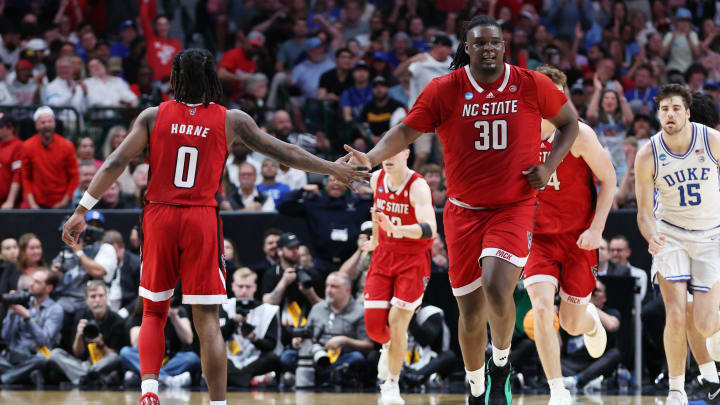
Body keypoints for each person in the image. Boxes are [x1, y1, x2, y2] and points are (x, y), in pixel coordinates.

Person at [61, 48, 367, 405]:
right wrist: (332, 168)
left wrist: (82, 209)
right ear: (212, 79)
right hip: (200, 218)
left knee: (153, 310)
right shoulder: (231, 119)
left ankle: (148, 393)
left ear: (174, 79)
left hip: (159, 216)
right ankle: (218, 403)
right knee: (206, 317)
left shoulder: (152, 116)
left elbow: (115, 161)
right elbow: (284, 151)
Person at [345, 15, 579, 405]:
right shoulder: (444, 89)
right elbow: (404, 132)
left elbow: (569, 123)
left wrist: (549, 165)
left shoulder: (530, 83)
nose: (489, 48)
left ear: (504, 46)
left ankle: (500, 364)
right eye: (480, 43)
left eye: (495, 42)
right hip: (463, 212)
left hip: (513, 207)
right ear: (467, 49)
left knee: (497, 286)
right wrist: (369, 158)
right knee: (470, 312)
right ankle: (474, 386)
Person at [522, 65, 616, 405]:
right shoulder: (519, 136)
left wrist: (597, 229)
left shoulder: (581, 135)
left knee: (572, 325)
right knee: (543, 309)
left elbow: (609, 180)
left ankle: (589, 321)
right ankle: (557, 390)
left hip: (578, 239)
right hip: (538, 239)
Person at [635, 84, 720, 405]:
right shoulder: (648, 154)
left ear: (686, 112)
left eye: (675, 108)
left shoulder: (711, 141)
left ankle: (710, 374)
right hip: (670, 234)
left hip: (711, 236)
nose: (669, 114)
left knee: (704, 321)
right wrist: (649, 234)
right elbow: (644, 213)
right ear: (659, 114)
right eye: (664, 109)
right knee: (675, 312)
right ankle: (676, 389)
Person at [362, 148, 436, 405]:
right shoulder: (376, 178)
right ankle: (388, 348)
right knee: (373, 327)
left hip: (413, 260)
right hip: (383, 256)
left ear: (406, 152)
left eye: (394, 152)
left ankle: (391, 385)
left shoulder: (418, 187)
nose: (388, 157)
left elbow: (430, 230)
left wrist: (397, 229)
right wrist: (375, 239)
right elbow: (377, 211)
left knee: (397, 321)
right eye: (385, 153)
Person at [48, 280, 126, 386]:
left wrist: (101, 344)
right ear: (86, 300)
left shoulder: (117, 320)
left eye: (101, 296)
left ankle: (83, 378)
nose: (97, 300)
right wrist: (79, 335)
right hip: (84, 364)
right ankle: (89, 377)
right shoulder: (81, 316)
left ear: (106, 297)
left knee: (114, 358)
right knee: (55, 354)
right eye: (93, 296)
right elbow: (77, 353)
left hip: (103, 365)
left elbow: (116, 357)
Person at [0, 269, 63, 385]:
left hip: (34, 357)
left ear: (49, 288)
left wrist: (27, 318)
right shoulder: (23, 302)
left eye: (37, 282)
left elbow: (45, 341)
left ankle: (7, 377)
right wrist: (11, 313)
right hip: (14, 355)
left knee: (42, 360)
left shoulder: (55, 309)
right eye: (32, 280)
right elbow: (5, 336)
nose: (31, 285)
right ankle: (20, 375)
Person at [220, 268, 281, 387]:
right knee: (214, 361)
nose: (244, 291)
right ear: (232, 286)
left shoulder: (267, 311)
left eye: (248, 287)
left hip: (255, 359)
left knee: (273, 358)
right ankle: (250, 381)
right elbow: (217, 339)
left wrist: (255, 339)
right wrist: (232, 321)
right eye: (240, 286)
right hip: (229, 358)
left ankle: (237, 379)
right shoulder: (224, 307)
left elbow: (271, 345)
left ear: (255, 288)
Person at [21, 106, 79, 209]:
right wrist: (32, 203)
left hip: (63, 203)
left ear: (54, 123)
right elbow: (26, 176)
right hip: (37, 204)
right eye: (43, 122)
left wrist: (65, 201)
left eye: (49, 121)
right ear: (36, 126)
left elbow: (74, 176)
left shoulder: (67, 145)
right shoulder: (27, 146)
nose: (47, 125)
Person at [0, 113, 22, 209]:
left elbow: (17, 175)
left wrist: (10, 201)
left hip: (8, 205)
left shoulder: (18, 146)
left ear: (10, 127)